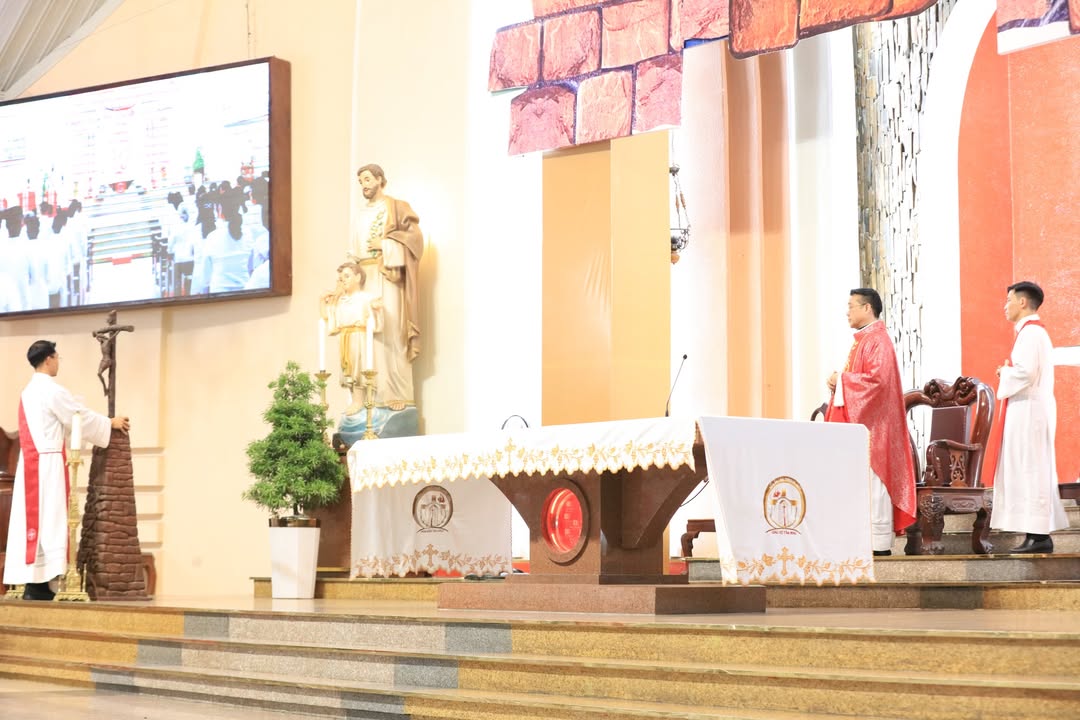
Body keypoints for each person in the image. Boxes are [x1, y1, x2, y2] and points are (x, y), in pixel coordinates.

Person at [3, 340, 130, 600]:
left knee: (35, 521)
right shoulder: (52, 390)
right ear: (48, 359)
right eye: (57, 358)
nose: (58, 363)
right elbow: (77, 416)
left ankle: (35, 583)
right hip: (48, 465)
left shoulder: (28, 391)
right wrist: (109, 423)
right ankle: (40, 584)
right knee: (51, 519)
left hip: (30, 465)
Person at [825, 288, 916, 556]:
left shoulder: (878, 340)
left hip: (875, 428)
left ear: (867, 308)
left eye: (851, 306)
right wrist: (839, 382)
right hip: (862, 425)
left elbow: (878, 383)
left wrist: (842, 380)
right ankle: (860, 540)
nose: (847, 312)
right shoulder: (864, 339)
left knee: (874, 481)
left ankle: (878, 545)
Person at [988, 281, 1067, 553]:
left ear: (1022, 302)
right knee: (1027, 468)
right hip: (1027, 409)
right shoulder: (1030, 332)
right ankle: (1034, 533)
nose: (1005, 306)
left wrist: (1004, 372)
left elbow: (1026, 373)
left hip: (1030, 412)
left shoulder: (1032, 333)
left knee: (1031, 469)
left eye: (1008, 300)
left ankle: (1039, 535)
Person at [349, 164, 423, 412]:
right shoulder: (360, 215)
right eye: (361, 181)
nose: (364, 185)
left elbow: (415, 244)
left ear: (380, 179)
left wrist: (384, 245)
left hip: (387, 276)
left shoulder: (397, 207)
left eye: (368, 179)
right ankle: (371, 397)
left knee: (390, 330)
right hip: (364, 280)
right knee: (366, 334)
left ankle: (395, 392)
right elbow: (353, 252)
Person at [321, 261, 381, 415]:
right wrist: (322, 300)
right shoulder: (340, 301)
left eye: (347, 276)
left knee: (358, 368)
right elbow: (328, 317)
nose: (343, 280)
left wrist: (376, 309)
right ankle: (354, 400)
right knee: (347, 369)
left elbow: (377, 316)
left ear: (358, 277)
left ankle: (359, 401)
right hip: (345, 338)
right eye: (341, 278)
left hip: (359, 337)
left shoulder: (366, 298)